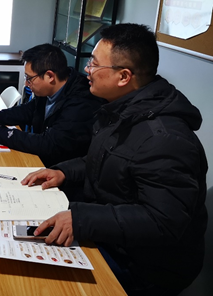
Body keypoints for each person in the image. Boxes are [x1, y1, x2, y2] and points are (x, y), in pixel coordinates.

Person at [22, 24, 208, 295]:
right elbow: (102, 159)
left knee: (36, 282)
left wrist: (80, 219)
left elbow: (162, 222)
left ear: (123, 76)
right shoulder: (121, 110)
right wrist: (62, 172)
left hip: (145, 267)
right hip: (113, 236)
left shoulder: (165, 139)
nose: (87, 70)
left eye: (95, 64)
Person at [0, 43, 103, 166]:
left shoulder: (81, 102)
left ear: (50, 76)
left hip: (59, 169)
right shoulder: (49, 90)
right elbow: (29, 110)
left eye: (29, 78)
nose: (26, 84)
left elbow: (49, 144)